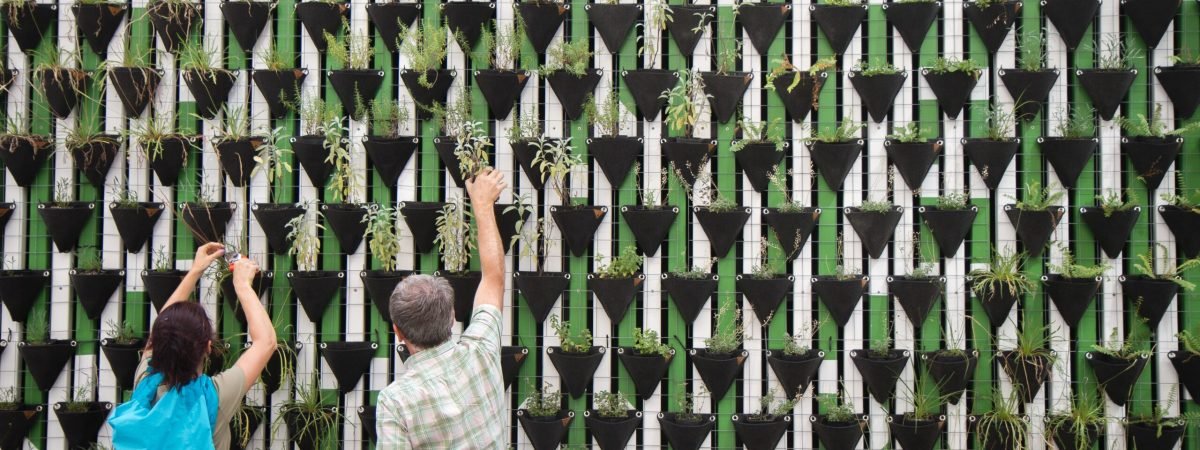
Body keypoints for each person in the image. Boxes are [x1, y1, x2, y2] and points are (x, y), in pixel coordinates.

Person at [376, 169, 508, 449]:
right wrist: (483, 205)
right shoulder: (481, 352)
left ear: (398, 332)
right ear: (452, 316)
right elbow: (493, 278)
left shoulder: (396, 401)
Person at [108, 243, 277, 450]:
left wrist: (195, 271)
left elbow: (161, 327)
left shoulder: (145, 383)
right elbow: (266, 342)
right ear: (207, 347)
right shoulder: (214, 397)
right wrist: (242, 284)